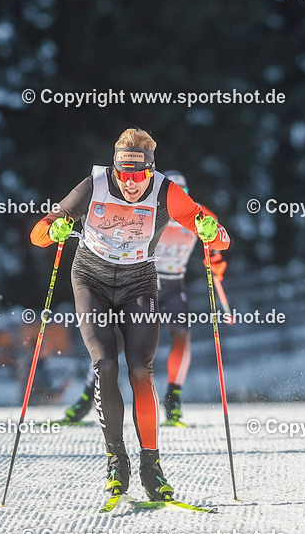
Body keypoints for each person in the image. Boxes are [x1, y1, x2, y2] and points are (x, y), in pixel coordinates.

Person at [30, 128, 230, 501]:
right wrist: (54, 228)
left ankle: (151, 465)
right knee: (105, 364)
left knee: (141, 369)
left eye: (139, 176)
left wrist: (209, 229)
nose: (131, 183)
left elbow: (220, 238)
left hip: (139, 283)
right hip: (91, 279)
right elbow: (39, 234)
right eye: (124, 174)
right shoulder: (94, 184)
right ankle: (116, 460)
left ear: (151, 171)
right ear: (115, 168)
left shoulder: (167, 192)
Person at [60, 170, 227, 427]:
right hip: (141, 283)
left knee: (182, 331)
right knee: (113, 342)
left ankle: (173, 401)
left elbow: (216, 239)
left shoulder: (195, 213)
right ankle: (86, 399)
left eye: (184, 195)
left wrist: (215, 259)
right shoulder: (148, 209)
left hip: (172, 284)